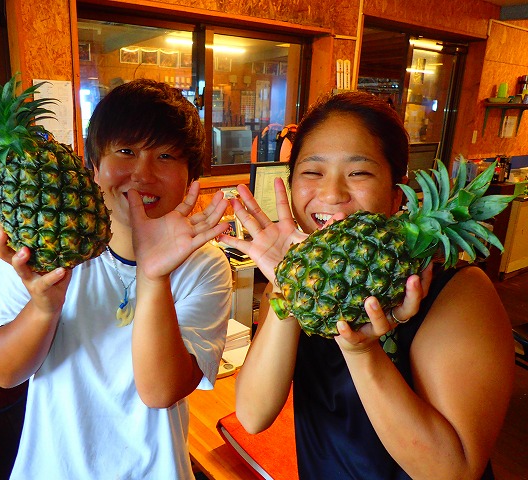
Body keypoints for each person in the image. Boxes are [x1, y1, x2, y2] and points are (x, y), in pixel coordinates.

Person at [218, 92, 515, 479]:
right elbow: (252, 415)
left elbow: (452, 472)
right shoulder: (301, 281)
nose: (332, 193)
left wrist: (361, 352)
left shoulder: (460, 293)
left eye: (359, 173)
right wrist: (291, 282)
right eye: (312, 172)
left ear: (396, 194)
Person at [0, 79, 233, 479]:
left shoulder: (205, 265)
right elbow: (2, 373)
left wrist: (153, 274)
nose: (142, 174)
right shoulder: (39, 248)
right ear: (94, 166)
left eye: (166, 155)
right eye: (126, 151)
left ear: (190, 177)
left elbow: (161, 391)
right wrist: (44, 308)